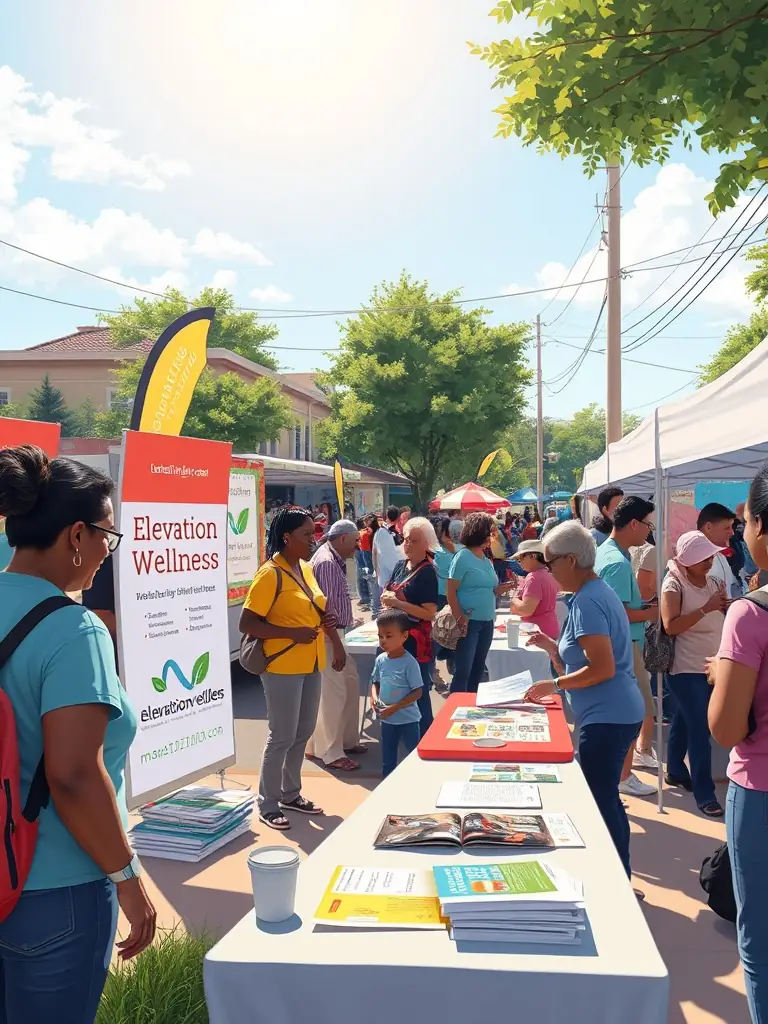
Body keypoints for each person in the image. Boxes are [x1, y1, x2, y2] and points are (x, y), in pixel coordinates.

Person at [0, 444, 155, 1018]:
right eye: (107, 538)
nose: (106, 554)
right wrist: (127, 877)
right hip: (52, 888)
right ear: (75, 536)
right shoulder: (75, 629)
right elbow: (71, 774)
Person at [523, 522, 645, 883]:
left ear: (571, 560)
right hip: (612, 712)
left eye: (551, 563)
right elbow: (587, 661)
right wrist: (552, 649)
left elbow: (603, 668)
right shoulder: (591, 593)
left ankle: (615, 879)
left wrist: (555, 683)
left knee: (601, 803)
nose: (548, 571)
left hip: (609, 717)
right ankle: (617, 875)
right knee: (604, 800)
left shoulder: (589, 600)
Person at [709, 464, 768, 1022]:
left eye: (746, 520)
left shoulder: (750, 613)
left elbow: (726, 728)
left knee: (761, 940)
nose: (742, 533)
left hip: (762, 791)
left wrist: (722, 680)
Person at [240, 507, 336, 830]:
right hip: (281, 664)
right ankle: (267, 801)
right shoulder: (270, 574)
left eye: (315, 532)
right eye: (307, 534)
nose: (314, 539)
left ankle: (290, 793)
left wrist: (327, 624)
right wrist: (291, 633)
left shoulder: (306, 569)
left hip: (311, 661)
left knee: (303, 730)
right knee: (282, 734)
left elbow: (313, 607)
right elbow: (247, 622)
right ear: (286, 537)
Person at [660, 530, 728, 817]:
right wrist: (707, 608)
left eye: (711, 556)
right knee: (700, 726)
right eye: (703, 558)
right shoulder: (673, 584)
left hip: (713, 664)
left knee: (686, 721)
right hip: (685, 668)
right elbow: (670, 626)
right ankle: (704, 792)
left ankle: (675, 769)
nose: (709, 562)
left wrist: (726, 606)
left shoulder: (714, 581)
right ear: (687, 559)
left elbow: (721, 616)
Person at [594, 495, 658, 795]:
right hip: (625, 644)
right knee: (635, 712)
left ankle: (620, 774)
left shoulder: (608, 553)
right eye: (647, 525)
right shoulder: (617, 562)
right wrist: (652, 612)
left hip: (620, 642)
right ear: (633, 523)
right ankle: (623, 776)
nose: (649, 531)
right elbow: (619, 612)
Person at [306, 520, 366, 772]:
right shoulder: (328, 563)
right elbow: (325, 610)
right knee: (334, 693)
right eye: (355, 542)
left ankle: (343, 741)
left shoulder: (329, 558)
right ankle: (330, 751)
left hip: (334, 634)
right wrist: (338, 644)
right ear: (342, 539)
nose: (357, 547)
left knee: (348, 684)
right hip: (329, 636)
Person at [380, 517, 439, 735]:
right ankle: (403, 731)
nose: (408, 545)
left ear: (427, 543)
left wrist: (397, 603)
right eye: (405, 539)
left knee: (418, 690)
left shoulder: (427, 573)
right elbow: (388, 592)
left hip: (415, 644)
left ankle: (425, 734)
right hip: (393, 640)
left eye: (414, 541)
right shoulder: (399, 565)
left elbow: (429, 613)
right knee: (395, 689)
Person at [447, 512, 516, 694]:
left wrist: (503, 587)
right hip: (469, 621)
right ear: (480, 532)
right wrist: (459, 617)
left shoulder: (486, 559)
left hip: (487, 621)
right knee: (464, 671)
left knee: (478, 670)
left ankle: (470, 705)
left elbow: (489, 589)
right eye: (490, 531)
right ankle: (455, 707)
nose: (493, 534)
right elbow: (451, 590)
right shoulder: (462, 557)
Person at [371, 609, 423, 777]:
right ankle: (386, 785)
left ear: (404, 636)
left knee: (413, 756)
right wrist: (374, 699)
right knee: (388, 759)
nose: (383, 641)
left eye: (389, 635)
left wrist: (394, 707)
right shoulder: (380, 660)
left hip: (408, 719)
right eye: (380, 636)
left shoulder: (409, 663)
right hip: (387, 720)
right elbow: (375, 682)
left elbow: (417, 692)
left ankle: (416, 782)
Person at [509, 539, 560, 640]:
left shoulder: (533, 578)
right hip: (548, 629)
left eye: (521, 558)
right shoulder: (548, 575)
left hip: (536, 633)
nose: (520, 562)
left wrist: (514, 600)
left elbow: (526, 610)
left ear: (532, 556)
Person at [697, 502, 741, 598]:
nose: (732, 533)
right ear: (708, 527)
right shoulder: (695, 560)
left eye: (732, 527)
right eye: (727, 528)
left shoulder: (720, 555)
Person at [362, 514, 382, 617]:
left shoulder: (368, 534)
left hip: (372, 564)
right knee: (377, 591)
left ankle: (375, 613)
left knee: (374, 591)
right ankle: (376, 613)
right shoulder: (378, 533)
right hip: (377, 564)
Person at [353, 517, 371, 611]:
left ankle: (365, 598)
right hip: (364, 557)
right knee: (365, 576)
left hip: (362, 556)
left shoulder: (360, 533)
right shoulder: (365, 533)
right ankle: (366, 598)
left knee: (362, 577)